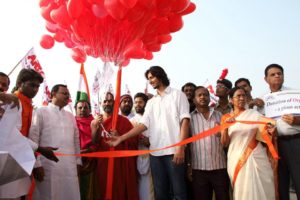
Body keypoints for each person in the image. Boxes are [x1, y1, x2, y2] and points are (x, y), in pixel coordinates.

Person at [108, 66, 190, 200]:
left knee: (179, 193)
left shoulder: (177, 95)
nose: (150, 81)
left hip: (174, 152)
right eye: (148, 79)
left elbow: (185, 121)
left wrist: (180, 147)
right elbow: (143, 125)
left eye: (152, 77)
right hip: (155, 154)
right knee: (160, 193)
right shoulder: (151, 102)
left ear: (160, 75)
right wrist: (121, 138)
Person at [0, 70, 58, 200]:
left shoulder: (25, 104)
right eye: (32, 85)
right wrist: (40, 150)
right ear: (20, 84)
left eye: (37, 86)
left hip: (17, 160)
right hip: (8, 160)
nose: (36, 90)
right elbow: (12, 135)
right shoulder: (12, 102)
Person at [220, 87, 277, 200]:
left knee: (264, 186)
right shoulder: (226, 118)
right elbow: (224, 144)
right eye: (238, 96)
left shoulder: (254, 114)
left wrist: (271, 130)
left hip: (257, 156)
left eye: (244, 95)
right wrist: (226, 128)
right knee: (243, 189)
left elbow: (265, 134)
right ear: (231, 100)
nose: (242, 98)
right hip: (236, 158)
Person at [29, 84, 81, 200]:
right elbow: (33, 139)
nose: (68, 96)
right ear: (53, 94)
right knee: (48, 195)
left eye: (68, 94)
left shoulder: (70, 116)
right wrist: (36, 165)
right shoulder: (40, 112)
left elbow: (76, 140)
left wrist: (78, 161)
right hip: (48, 167)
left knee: (70, 194)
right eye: (64, 93)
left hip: (69, 167)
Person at [90, 92, 139, 200]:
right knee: (104, 189)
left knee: (120, 190)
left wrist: (120, 136)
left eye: (110, 101)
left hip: (120, 163)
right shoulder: (95, 122)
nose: (107, 103)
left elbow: (134, 141)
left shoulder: (124, 121)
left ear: (115, 103)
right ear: (101, 103)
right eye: (105, 101)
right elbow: (94, 142)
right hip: (104, 162)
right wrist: (96, 128)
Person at [263, 64, 300, 200]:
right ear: (265, 79)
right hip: (275, 146)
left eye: (279, 73)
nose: (277, 76)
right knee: (280, 184)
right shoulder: (263, 100)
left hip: (296, 141)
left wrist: (297, 120)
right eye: (273, 74)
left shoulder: (295, 95)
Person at [190, 86, 229, 200]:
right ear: (194, 99)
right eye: (199, 95)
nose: (203, 97)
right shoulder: (190, 118)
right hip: (198, 169)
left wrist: (221, 133)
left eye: (205, 94)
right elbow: (186, 145)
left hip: (220, 167)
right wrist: (188, 166)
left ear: (209, 97)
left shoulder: (220, 116)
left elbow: (227, 140)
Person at [130, 92, 154, 200]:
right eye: (135, 102)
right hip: (135, 159)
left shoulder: (152, 119)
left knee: (150, 188)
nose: (137, 105)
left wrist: (150, 141)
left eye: (140, 102)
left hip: (152, 157)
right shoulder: (130, 121)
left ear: (146, 103)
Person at [75, 100, 94, 200]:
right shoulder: (71, 122)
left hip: (90, 161)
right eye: (80, 108)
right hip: (73, 161)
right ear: (75, 109)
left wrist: (89, 151)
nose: (82, 110)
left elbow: (98, 142)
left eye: (85, 107)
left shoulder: (94, 123)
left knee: (88, 190)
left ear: (90, 110)